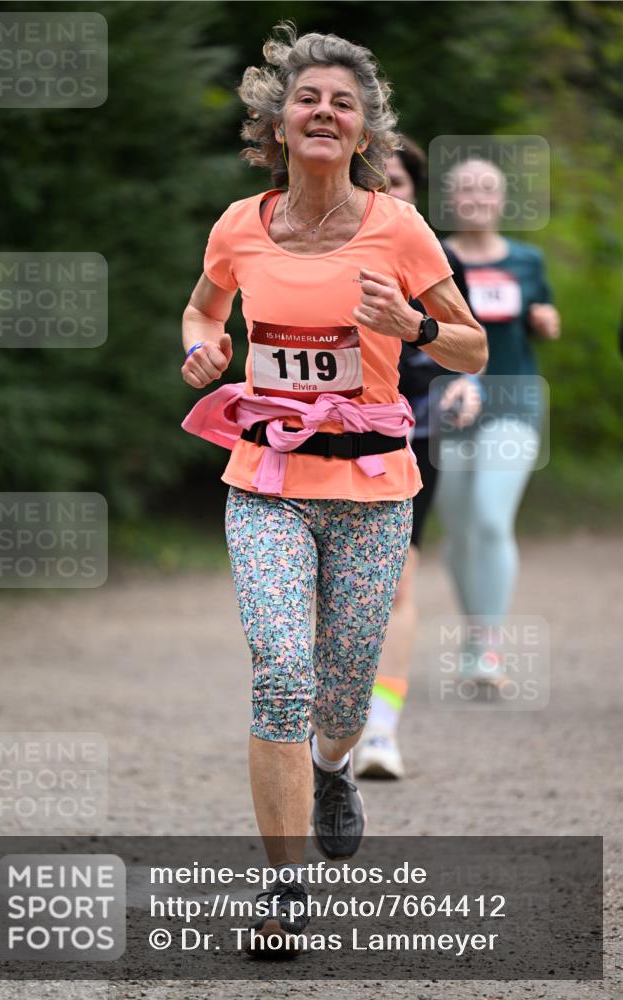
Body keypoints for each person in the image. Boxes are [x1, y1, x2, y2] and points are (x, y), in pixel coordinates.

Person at [181, 24, 486, 954]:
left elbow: (469, 341)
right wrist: (200, 345)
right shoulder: (239, 223)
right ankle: (283, 893)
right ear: (277, 122)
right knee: (280, 671)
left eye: (343, 103)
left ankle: (334, 766)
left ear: (363, 134)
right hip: (266, 479)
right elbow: (203, 303)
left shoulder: (398, 226)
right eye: (307, 98)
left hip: (371, 485)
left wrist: (416, 329)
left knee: (342, 692)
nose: (323, 111)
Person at [355, 141, 481, 780]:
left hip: (412, 435)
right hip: (328, 437)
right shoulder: (322, 253)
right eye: (375, 183)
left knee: (397, 580)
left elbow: (469, 346)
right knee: (334, 590)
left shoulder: (440, 259)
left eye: (398, 182)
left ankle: (380, 730)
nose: (388, 194)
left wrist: (465, 385)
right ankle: (332, 722)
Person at [435, 158, 560, 684]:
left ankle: (489, 646)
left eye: (487, 189)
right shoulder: (434, 258)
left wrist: (545, 321)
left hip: (514, 401)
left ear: (502, 199)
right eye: (466, 189)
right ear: (450, 198)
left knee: (489, 518)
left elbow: (547, 319)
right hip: (446, 404)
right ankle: (474, 636)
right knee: (459, 532)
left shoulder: (527, 260)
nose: (477, 198)